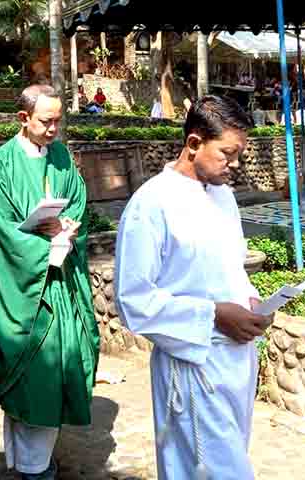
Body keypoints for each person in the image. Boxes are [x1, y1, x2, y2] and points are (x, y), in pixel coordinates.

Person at [115, 95, 273, 479]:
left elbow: (229, 266)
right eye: (227, 154)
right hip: (192, 366)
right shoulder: (150, 204)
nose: (234, 165)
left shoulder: (223, 196)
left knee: (229, 457)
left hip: (235, 362)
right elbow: (132, 300)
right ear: (194, 144)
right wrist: (214, 314)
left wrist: (248, 299)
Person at [0, 84, 99, 479]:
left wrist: (67, 230)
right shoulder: (1, 165)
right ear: (23, 119)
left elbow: (79, 201)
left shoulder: (62, 157)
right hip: (26, 289)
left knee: (57, 371)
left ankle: (35, 462)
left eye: (57, 121)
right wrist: (42, 242)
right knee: (35, 376)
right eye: (46, 121)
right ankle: (33, 467)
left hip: (60, 285)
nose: (53, 129)